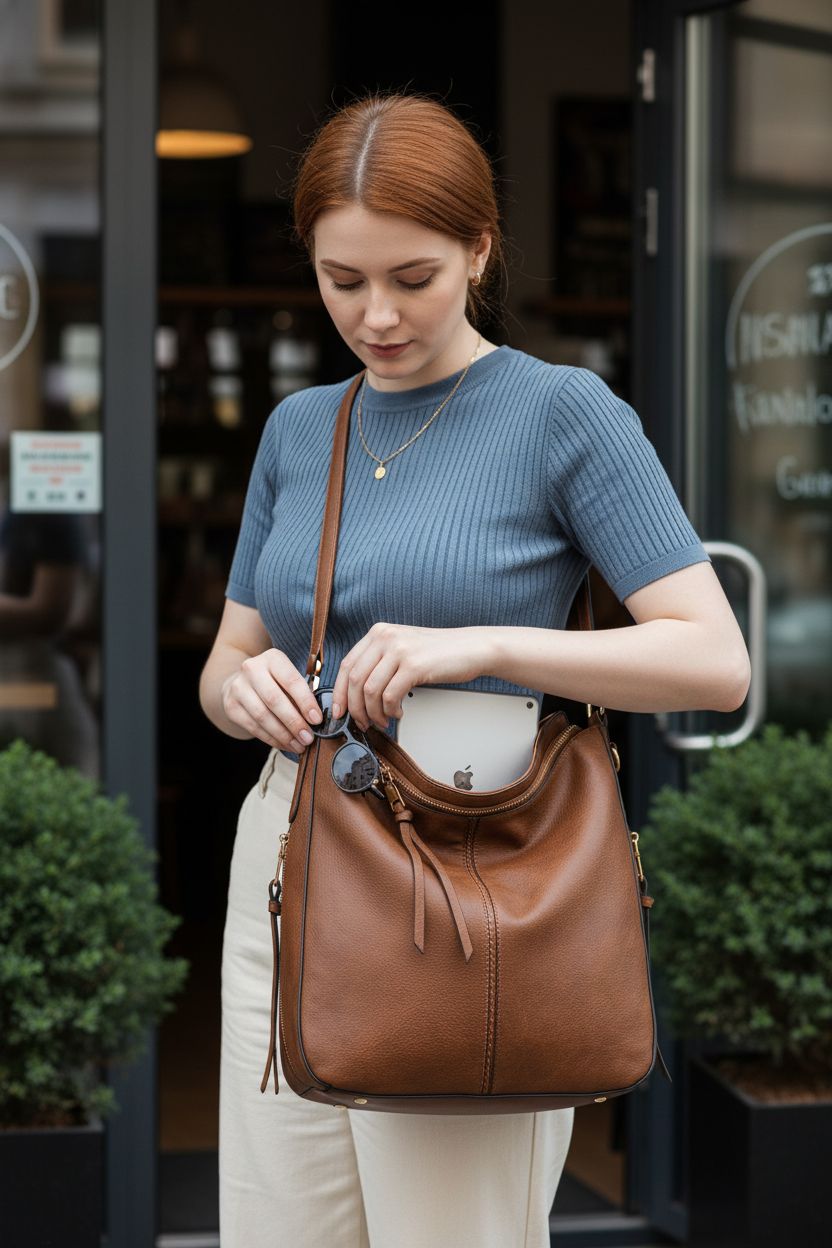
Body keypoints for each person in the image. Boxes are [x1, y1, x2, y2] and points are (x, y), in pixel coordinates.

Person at [199, 91, 750, 1248]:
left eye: (413, 277)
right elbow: (230, 657)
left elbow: (714, 661)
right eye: (342, 281)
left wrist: (484, 647)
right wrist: (235, 690)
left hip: (467, 866)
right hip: (287, 857)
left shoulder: (561, 415)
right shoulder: (303, 429)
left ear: (479, 249)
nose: (376, 315)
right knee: (276, 1231)